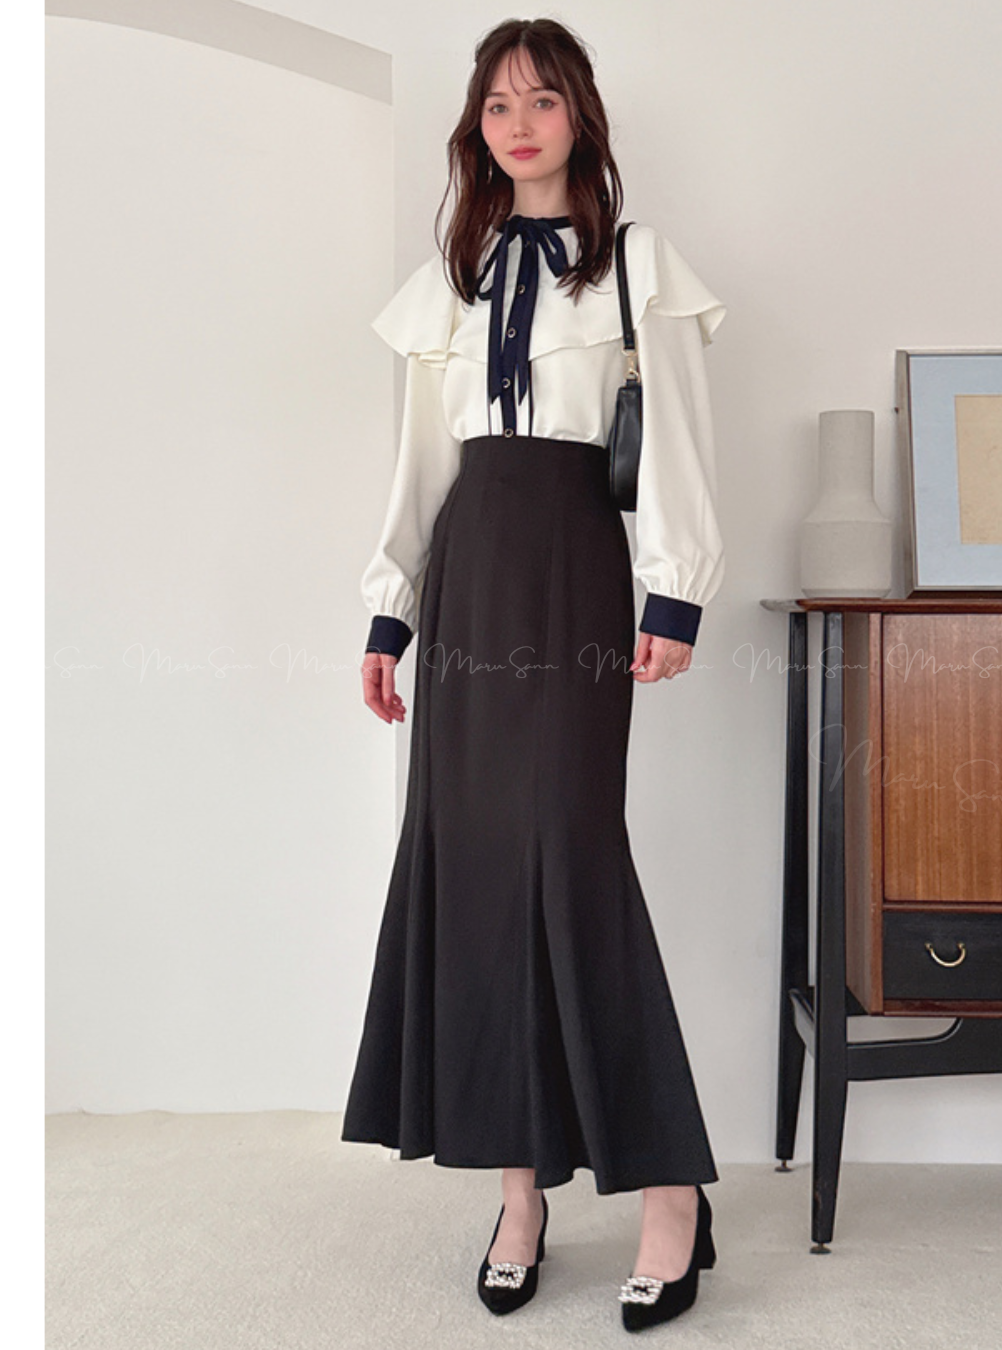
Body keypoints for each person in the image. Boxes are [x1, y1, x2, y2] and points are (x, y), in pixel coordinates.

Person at [341, 16, 726, 1333]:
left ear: (580, 118)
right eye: (498, 103)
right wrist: (389, 614)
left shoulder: (637, 268)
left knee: (571, 856)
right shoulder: (448, 279)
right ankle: (520, 1196)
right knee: (475, 869)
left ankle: (670, 1192)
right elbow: (419, 468)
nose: (518, 123)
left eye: (542, 99)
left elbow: (676, 438)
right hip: (465, 580)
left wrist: (675, 587)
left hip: (570, 571)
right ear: (476, 126)